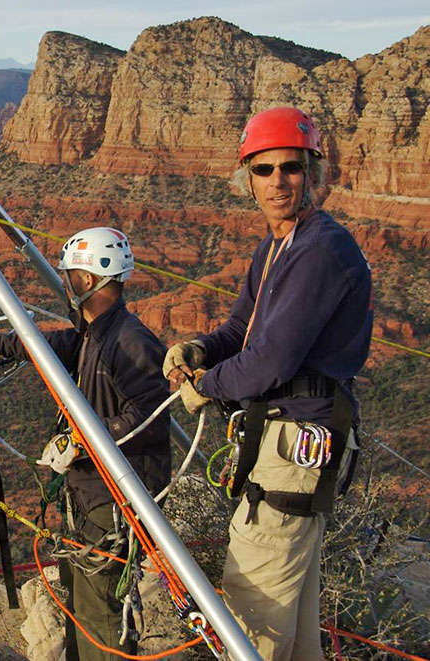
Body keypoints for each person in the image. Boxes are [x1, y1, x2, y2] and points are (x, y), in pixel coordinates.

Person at [163, 106, 372, 660]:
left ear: (312, 173)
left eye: (291, 168)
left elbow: (273, 360)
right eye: (264, 170)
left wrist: (204, 388)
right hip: (282, 441)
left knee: (252, 616)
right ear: (247, 178)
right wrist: (199, 350)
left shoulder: (320, 250)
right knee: (293, 625)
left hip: (295, 444)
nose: (278, 181)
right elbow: (241, 330)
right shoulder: (276, 246)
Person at [0, 227, 171, 660]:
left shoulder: (129, 340)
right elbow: (46, 345)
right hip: (89, 496)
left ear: (85, 280)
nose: (64, 284)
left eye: (68, 276)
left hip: (113, 501)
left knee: (102, 611)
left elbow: (151, 419)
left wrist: (82, 441)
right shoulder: (93, 334)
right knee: (81, 604)